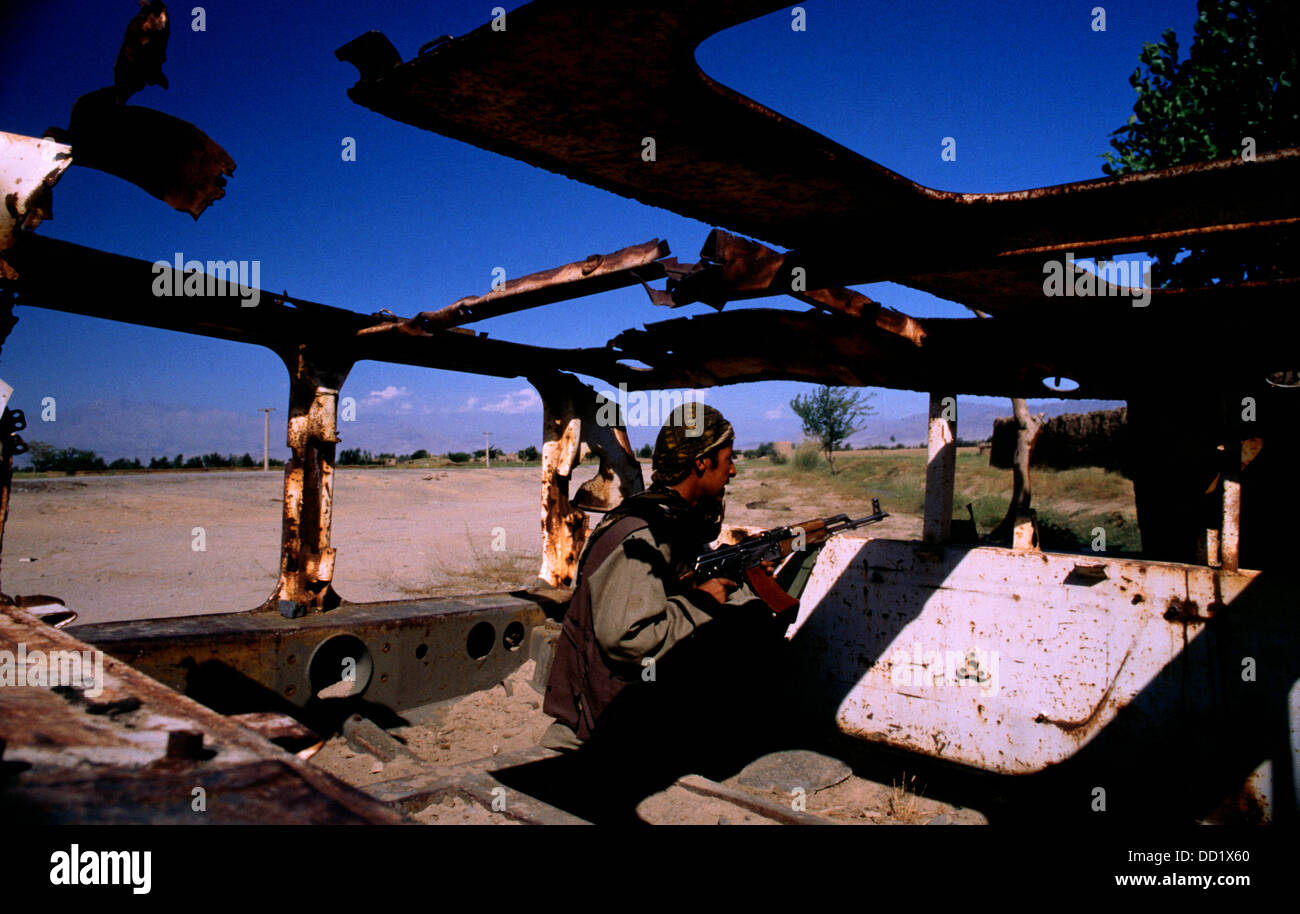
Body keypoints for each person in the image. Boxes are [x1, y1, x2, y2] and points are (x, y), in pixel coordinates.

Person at [540, 403, 790, 811]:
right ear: (701, 462)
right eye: (727, 460)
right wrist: (702, 601)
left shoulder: (674, 520)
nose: (733, 470)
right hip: (600, 728)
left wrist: (738, 575)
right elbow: (630, 639)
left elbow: (673, 589)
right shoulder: (642, 535)